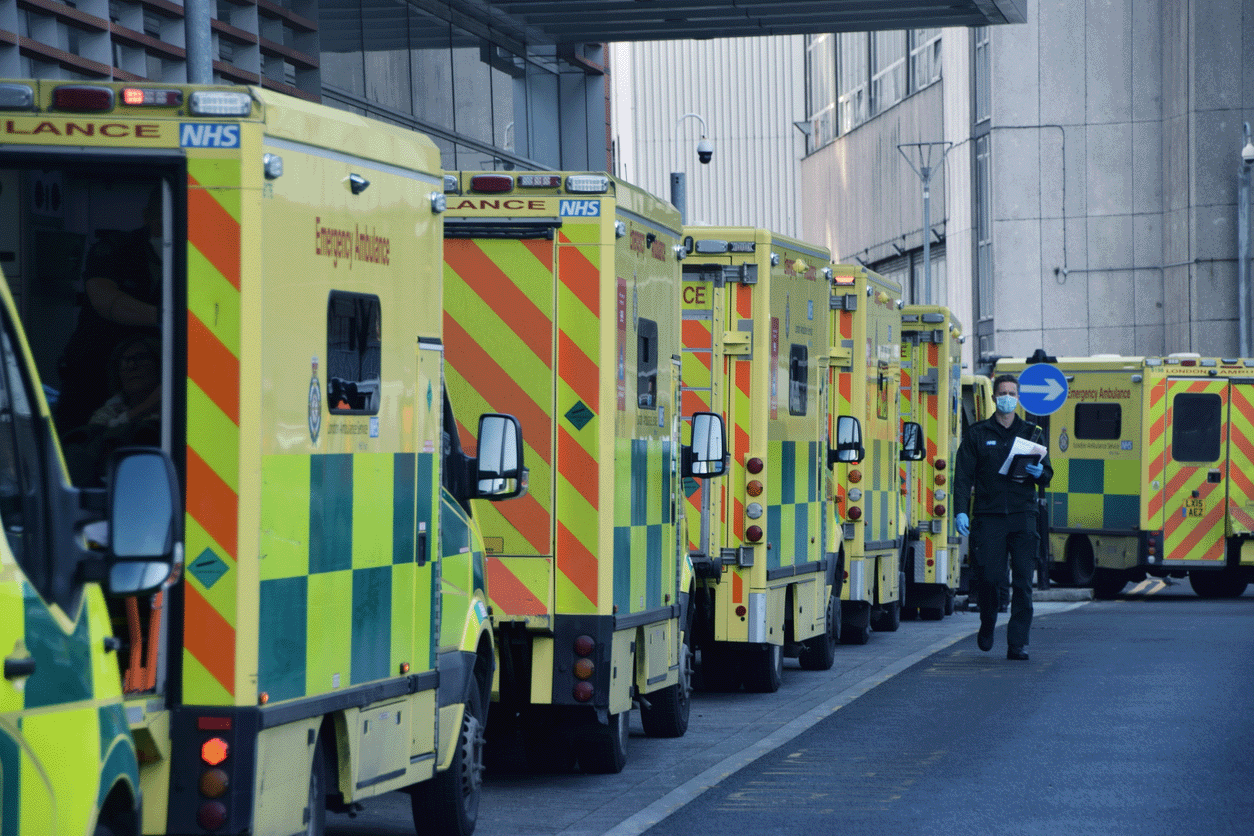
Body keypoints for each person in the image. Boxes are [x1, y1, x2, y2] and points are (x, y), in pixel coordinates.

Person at [952, 373, 1052, 661]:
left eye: (1012, 393)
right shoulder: (978, 434)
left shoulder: (1032, 433)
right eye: (1003, 393)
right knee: (990, 578)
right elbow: (962, 476)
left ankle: (1018, 643)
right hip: (989, 516)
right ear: (995, 398)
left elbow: (1047, 473)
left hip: (1023, 516)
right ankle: (987, 622)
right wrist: (961, 510)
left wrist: (1039, 473)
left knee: (1023, 581)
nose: (1008, 398)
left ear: (1018, 398)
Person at [56, 187, 163, 432]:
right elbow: (104, 298)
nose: (165, 230)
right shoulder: (115, 248)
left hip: (147, 373)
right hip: (92, 367)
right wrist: (167, 317)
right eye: (159, 222)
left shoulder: (193, 256)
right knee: (80, 439)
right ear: (146, 217)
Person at [62, 335, 162, 486]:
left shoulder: (178, 410)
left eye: (141, 358)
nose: (131, 366)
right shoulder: (108, 413)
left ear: (160, 364)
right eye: (124, 361)